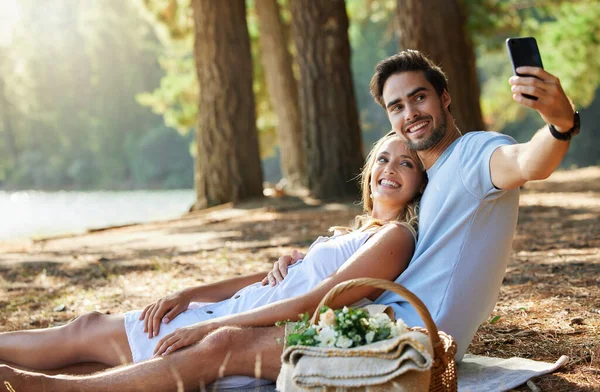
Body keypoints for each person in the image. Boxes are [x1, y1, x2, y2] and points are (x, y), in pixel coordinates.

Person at [1, 49, 580, 391]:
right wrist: (303, 258)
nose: (411, 115)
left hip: (412, 340)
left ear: (445, 98)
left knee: (218, 341)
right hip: (377, 319)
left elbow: (528, 162)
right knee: (106, 338)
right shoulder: (419, 197)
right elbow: (354, 259)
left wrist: (558, 123)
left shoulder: (478, 152)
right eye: (397, 108)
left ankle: (43, 388)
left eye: (420, 98)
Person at [0, 133, 427, 391]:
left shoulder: (395, 237)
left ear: (419, 183)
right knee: (92, 358)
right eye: (383, 158)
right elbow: (274, 280)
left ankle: (36, 387)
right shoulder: (354, 232)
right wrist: (191, 294)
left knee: (87, 329)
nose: (390, 168)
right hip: (231, 310)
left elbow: (320, 299)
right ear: (370, 171)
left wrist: (210, 327)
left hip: (241, 329)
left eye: (406, 162)